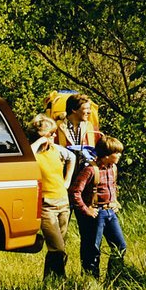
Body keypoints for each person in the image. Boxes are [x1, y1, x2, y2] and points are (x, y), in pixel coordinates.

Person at [70, 135, 127, 280]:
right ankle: (91, 281)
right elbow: (75, 192)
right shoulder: (90, 170)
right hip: (96, 214)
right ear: (106, 155)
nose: (120, 156)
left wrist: (115, 201)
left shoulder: (113, 168)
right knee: (93, 250)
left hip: (110, 212)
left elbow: (112, 186)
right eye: (117, 153)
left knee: (120, 246)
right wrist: (86, 209)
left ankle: (114, 278)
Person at [29, 114, 76, 280]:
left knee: (58, 246)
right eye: (51, 134)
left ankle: (50, 281)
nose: (55, 136)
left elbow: (72, 157)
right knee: (58, 248)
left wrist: (67, 181)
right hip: (46, 206)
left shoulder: (56, 150)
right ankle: (62, 280)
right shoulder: (33, 153)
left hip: (63, 203)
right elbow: (26, 158)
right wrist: (39, 143)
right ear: (41, 136)